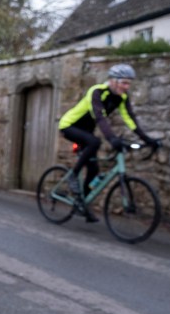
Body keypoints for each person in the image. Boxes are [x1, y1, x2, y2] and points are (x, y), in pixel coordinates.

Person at [57, 63, 161, 222]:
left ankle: (81, 204)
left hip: (86, 132)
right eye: (124, 82)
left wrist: (148, 140)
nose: (127, 87)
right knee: (95, 142)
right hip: (70, 126)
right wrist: (112, 138)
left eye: (129, 83)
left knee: (93, 169)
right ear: (113, 81)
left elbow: (130, 120)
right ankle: (73, 175)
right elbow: (100, 117)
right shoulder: (97, 91)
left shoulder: (122, 98)